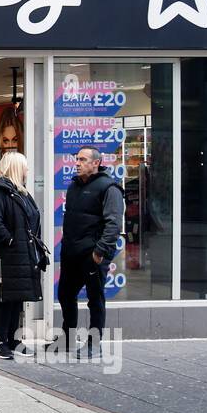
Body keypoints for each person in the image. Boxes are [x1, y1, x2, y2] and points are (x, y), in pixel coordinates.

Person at [59, 145, 124, 357]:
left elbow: (113, 224)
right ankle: (67, 339)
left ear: (96, 163)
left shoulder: (109, 188)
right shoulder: (74, 186)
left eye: (82, 159)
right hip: (71, 253)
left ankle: (94, 344)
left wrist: (99, 252)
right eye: (76, 159)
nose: (77, 163)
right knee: (65, 295)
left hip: (92, 255)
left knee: (95, 299)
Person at [0, 151, 45, 360]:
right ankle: (1, 341)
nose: (27, 170)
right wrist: (10, 240)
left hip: (22, 253)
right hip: (8, 255)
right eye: (25, 166)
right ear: (16, 168)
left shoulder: (19, 192)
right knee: (5, 298)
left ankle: (13, 339)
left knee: (17, 298)